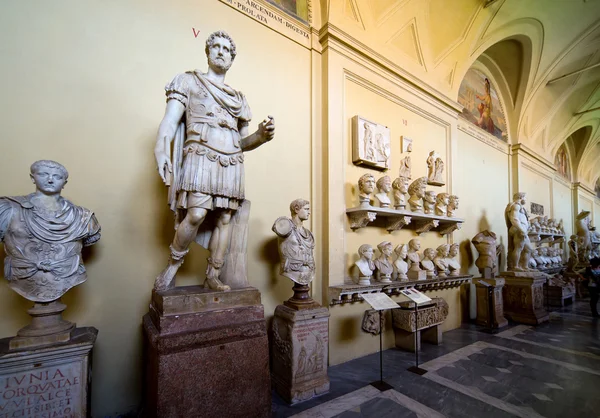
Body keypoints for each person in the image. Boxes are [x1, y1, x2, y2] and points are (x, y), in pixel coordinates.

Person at [153, 31, 275, 292]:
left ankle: (213, 274)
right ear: (207, 52)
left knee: (224, 220)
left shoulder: (238, 99)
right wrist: (161, 149)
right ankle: (173, 265)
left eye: (226, 49)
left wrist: (261, 136)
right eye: (215, 47)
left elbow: (243, 143)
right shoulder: (188, 82)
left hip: (231, 161)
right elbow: (170, 121)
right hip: (200, 155)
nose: (220, 51)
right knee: (196, 214)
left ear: (231, 59)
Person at [0, 160, 101, 302]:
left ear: (65, 183)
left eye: (57, 176)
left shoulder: (83, 217)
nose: (50, 179)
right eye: (43, 174)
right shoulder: (7, 209)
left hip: (66, 276)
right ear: (32, 177)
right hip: (23, 277)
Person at [272, 199, 315, 285]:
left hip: (309, 271)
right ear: (296, 209)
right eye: (306, 209)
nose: (309, 212)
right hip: (292, 270)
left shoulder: (308, 233)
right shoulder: (285, 227)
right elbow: (275, 227)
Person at [505, 192, 534, 271]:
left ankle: (525, 266)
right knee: (518, 248)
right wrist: (521, 230)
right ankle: (515, 267)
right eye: (525, 197)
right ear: (521, 197)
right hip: (519, 229)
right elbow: (514, 219)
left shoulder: (521, 207)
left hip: (523, 229)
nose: (525, 199)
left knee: (528, 249)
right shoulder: (516, 206)